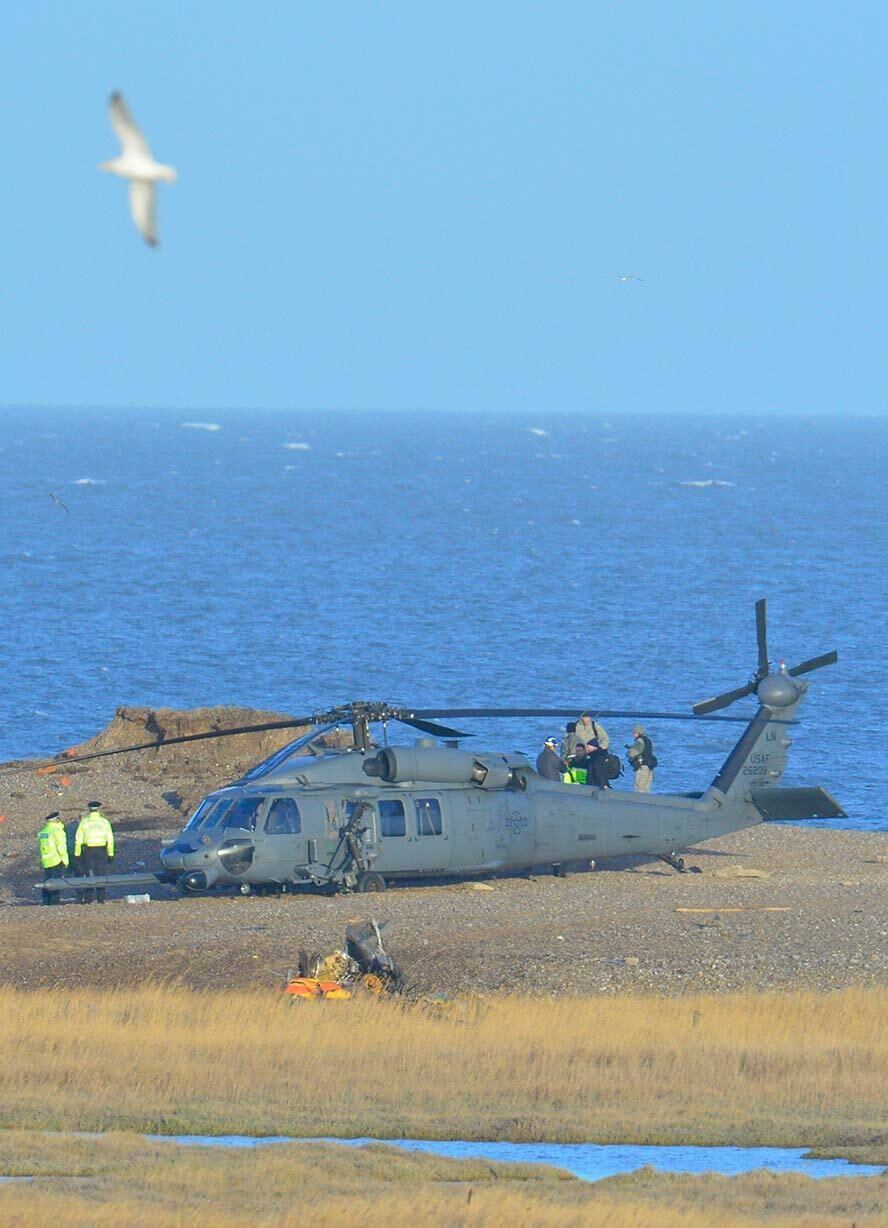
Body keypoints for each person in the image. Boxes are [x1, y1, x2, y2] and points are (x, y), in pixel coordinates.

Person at [73, 801, 115, 903]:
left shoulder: (84, 822)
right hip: (101, 850)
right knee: (101, 874)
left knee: (89, 874)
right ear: (99, 809)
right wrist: (111, 854)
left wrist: (77, 854)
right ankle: (101, 899)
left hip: (89, 850)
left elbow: (78, 839)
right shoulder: (104, 822)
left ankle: (89, 900)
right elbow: (110, 839)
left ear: (89, 809)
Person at [37, 811, 69, 905]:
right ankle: (54, 903)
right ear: (56, 820)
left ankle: (46, 902)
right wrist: (65, 861)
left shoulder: (43, 832)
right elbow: (61, 847)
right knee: (55, 883)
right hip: (55, 860)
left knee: (46, 882)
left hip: (46, 861)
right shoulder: (57, 832)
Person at [626, 725, 657, 793]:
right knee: (647, 787)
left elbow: (633, 753)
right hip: (649, 766)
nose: (633, 734)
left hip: (642, 766)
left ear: (637, 733)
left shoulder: (639, 741)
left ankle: (639, 800)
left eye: (634, 733)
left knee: (639, 786)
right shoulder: (648, 740)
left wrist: (628, 752)